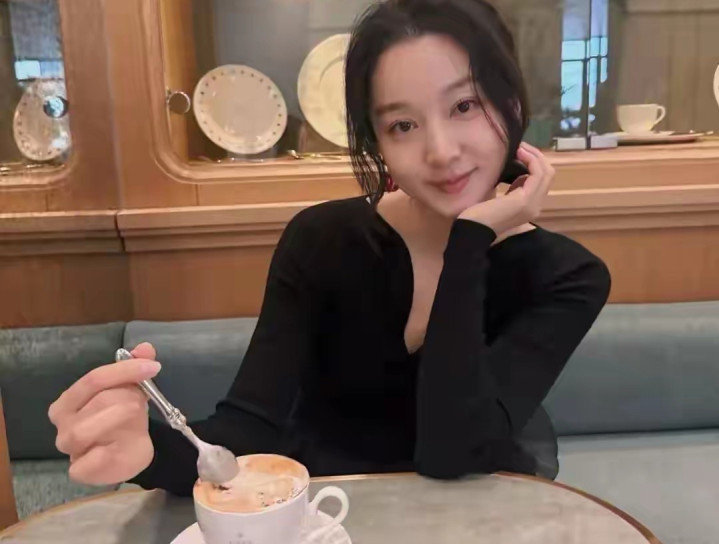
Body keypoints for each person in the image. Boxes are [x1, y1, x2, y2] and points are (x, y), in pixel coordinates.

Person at [48, 0, 610, 497]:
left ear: (512, 104)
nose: (441, 151)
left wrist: (470, 242)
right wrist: (146, 451)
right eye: (403, 125)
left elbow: (453, 453)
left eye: (464, 106)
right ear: (377, 142)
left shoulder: (568, 277)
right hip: (328, 517)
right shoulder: (322, 241)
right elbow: (247, 431)